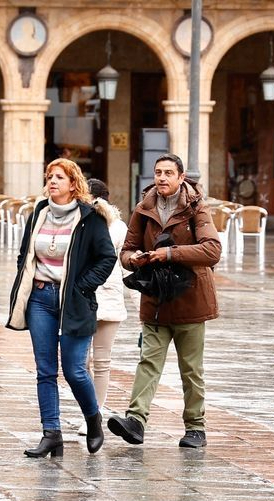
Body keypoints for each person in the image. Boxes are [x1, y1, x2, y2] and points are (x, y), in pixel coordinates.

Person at [107, 153, 221, 449]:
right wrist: (136, 260)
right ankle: (135, 421)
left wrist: (170, 254)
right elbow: (127, 250)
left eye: (169, 173)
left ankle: (196, 427)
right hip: (156, 299)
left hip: (191, 299)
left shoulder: (197, 208)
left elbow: (212, 251)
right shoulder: (143, 209)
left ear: (181, 177)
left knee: (191, 368)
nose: (162, 178)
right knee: (148, 361)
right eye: (158, 172)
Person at [6, 158, 116, 458]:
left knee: (75, 369)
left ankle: (93, 420)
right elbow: (25, 254)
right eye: (49, 177)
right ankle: (51, 433)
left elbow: (106, 257)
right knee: (45, 370)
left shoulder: (89, 217)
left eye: (59, 177)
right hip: (40, 299)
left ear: (73, 183)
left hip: (74, 301)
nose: (52, 181)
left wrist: (83, 285)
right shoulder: (39, 212)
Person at [77, 179, 128, 436]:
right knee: (81, 362)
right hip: (84, 298)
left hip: (107, 298)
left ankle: (94, 413)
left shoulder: (116, 226)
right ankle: (89, 412)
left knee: (100, 361)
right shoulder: (80, 222)